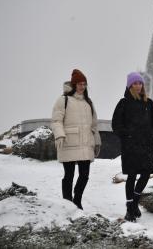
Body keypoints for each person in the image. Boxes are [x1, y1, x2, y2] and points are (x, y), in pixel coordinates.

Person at [112, 72, 153, 222]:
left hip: (146, 146)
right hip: (131, 147)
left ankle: (134, 203)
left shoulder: (149, 103)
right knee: (132, 176)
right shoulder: (123, 103)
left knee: (146, 173)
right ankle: (130, 209)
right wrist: (127, 136)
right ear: (129, 86)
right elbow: (116, 125)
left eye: (140, 83)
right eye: (135, 83)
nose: (138, 86)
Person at [51, 69, 101, 210]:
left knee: (84, 175)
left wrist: (96, 141)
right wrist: (59, 134)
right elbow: (56, 121)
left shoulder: (88, 103)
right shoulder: (63, 100)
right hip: (69, 143)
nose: (82, 86)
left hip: (85, 145)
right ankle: (67, 202)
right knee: (69, 175)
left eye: (84, 84)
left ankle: (77, 200)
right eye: (79, 84)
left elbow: (94, 125)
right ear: (74, 85)